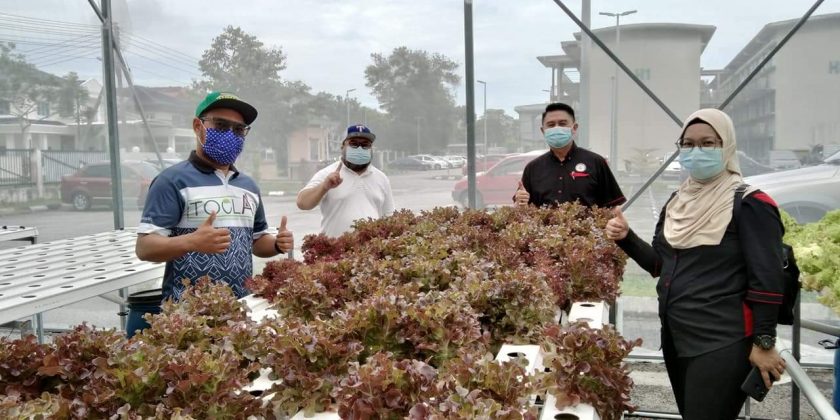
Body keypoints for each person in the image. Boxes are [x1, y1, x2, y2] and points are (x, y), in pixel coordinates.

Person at [604, 109, 786, 419]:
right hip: (678, 338)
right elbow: (661, 266)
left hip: (722, 342)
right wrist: (625, 237)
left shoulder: (750, 203)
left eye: (707, 143)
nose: (695, 151)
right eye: (687, 144)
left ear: (726, 145)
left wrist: (764, 342)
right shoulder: (678, 200)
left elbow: (767, 279)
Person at [131, 91, 294, 337]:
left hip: (240, 310)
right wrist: (191, 241)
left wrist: (277, 245)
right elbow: (145, 247)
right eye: (221, 125)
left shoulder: (247, 186)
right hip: (186, 317)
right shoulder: (172, 181)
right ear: (198, 126)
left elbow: (257, 242)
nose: (231, 135)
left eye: (239, 130)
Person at [514, 102, 625, 209]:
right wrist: (520, 202)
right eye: (551, 125)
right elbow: (523, 208)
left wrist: (619, 223)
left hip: (588, 228)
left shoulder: (596, 162)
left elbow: (612, 207)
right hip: (544, 228)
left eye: (562, 123)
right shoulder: (533, 168)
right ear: (543, 131)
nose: (556, 128)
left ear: (574, 128)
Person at [296, 125, 395, 237]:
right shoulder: (328, 174)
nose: (359, 148)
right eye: (354, 144)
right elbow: (302, 203)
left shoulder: (381, 178)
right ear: (342, 146)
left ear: (371, 148)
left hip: (370, 251)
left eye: (365, 145)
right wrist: (325, 186)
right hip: (335, 250)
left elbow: (389, 216)